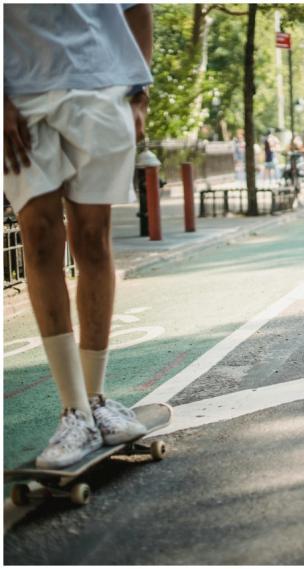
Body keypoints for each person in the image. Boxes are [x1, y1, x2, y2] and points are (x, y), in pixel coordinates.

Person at [3, 5, 153, 468]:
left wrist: (139, 96)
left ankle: (97, 399)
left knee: (92, 238)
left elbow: (135, 7)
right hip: (16, 92)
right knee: (40, 236)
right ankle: (74, 413)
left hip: (100, 85)